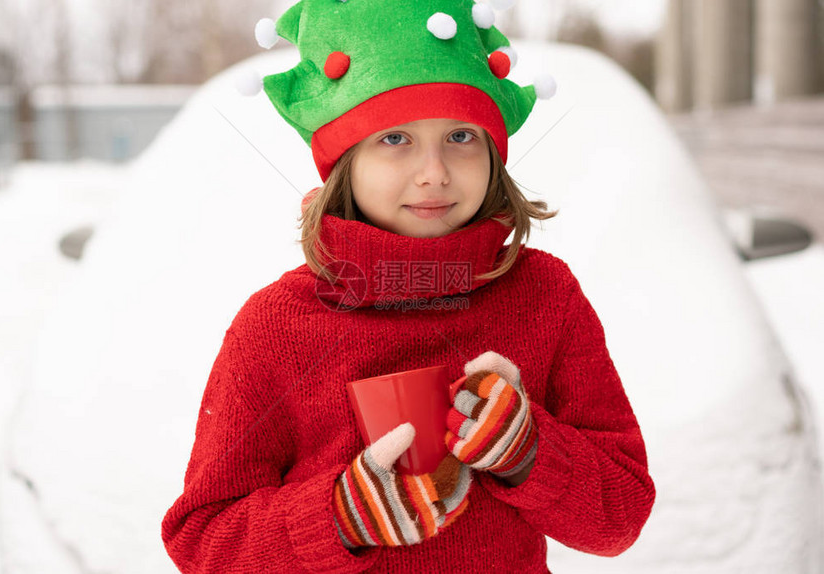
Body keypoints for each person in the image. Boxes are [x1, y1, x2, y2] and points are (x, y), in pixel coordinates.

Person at [162, 1, 655, 572]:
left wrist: (528, 453)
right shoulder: (275, 324)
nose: (435, 173)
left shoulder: (544, 296)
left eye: (461, 136)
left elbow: (621, 514)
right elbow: (203, 540)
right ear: (345, 160)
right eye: (395, 139)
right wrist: (340, 519)